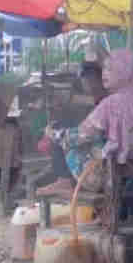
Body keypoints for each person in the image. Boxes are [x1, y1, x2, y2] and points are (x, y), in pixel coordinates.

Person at [35, 62, 105, 197]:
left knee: (61, 135)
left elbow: (84, 134)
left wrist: (55, 134)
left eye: (92, 81)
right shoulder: (100, 100)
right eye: (86, 82)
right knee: (60, 130)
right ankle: (63, 180)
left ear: (99, 79)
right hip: (98, 143)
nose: (89, 85)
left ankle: (64, 181)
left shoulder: (105, 102)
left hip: (101, 158)